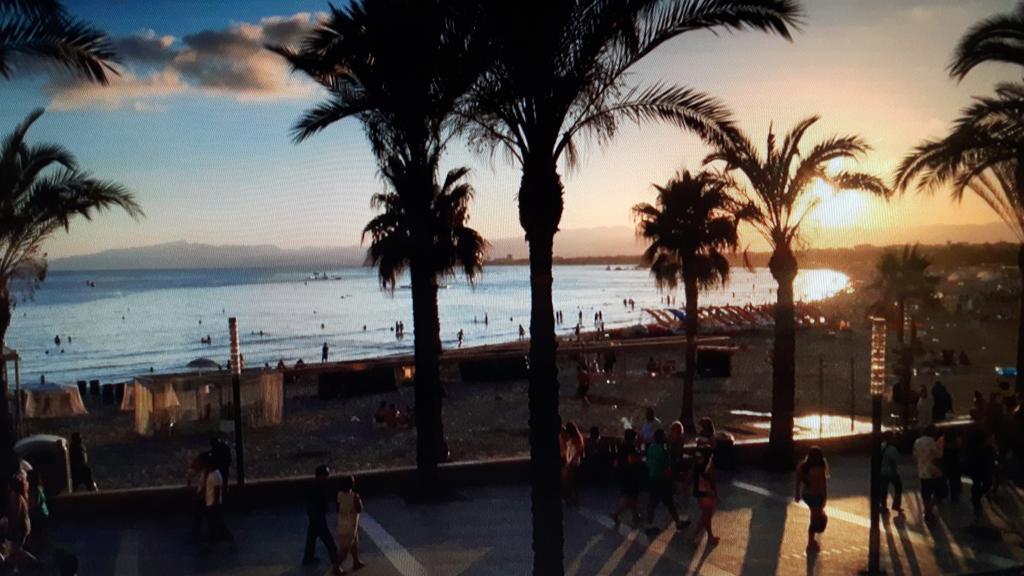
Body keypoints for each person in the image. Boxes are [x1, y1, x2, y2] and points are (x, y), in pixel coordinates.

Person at [646, 429, 686, 530]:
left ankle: (649, 525)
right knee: (670, 503)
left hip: (652, 478)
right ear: (662, 438)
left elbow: (648, 463)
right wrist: (672, 482)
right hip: (662, 480)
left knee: (652, 503)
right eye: (665, 436)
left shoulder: (650, 448)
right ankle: (678, 522)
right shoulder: (664, 452)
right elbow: (667, 470)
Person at [795, 446, 829, 552]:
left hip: (807, 495)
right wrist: (824, 498)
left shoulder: (803, 466)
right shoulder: (821, 467)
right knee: (814, 519)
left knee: (814, 516)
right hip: (817, 496)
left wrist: (797, 494)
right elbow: (823, 485)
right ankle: (810, 542)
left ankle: (812, 541)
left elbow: (798, 481)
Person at [303, 465, 338, 566]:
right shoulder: (319, 487)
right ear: (321, 476)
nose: (328, 476)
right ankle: (335, 563)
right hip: (318, 517)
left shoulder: (313, 486)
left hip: (314, 516)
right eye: (326, 474)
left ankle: (308, 558)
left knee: (311, 538)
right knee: (329, 542)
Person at [610, 429, 644, 526]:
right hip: (630, 475)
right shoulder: (630, 448)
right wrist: (639, 449)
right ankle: (616, 514)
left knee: (633, 496)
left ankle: (635, 516)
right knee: (630, 497)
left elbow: (616, 462)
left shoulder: (621, 446)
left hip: (622, 474)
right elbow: (632, 460)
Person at [4, 476, 39, 569]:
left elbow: (16, 514)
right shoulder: (19, 496)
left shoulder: (15, 497)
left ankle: (35, 562)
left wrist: (10, 528)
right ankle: (16, 567)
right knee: (15, 550)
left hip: (20, 528)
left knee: (16, 550)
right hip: (23, 527)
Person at [966, 428, 998, 524]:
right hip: (983, 470)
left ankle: (976, 498)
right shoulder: (986, 448)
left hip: (978, 470)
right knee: (985, 483)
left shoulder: (977, 448)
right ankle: (976, 499)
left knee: (982, 484)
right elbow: (993, 458)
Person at [913, 425, 944, 522]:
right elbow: (938, 455)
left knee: (926, 493)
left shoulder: (917, 441)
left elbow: (915, 454)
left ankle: (927, 511)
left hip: (922, 471)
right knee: (939, 492)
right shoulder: (932, 441)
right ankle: (929, 510)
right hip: (933, 471)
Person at [335, 475, 365, 574]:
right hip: (350, 526)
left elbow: (338, 508)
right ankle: (336, 566)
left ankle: (356, 561)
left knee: (354, 544)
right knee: (345, 549)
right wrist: (359, 500)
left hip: (343, 524)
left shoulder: (339, 494)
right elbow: (359, 509)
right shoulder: (354, 496)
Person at [201, 453, 233, 546]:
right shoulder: (213, 474)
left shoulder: (214, 475)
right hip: (210, 502)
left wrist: (215, 502)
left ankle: (215, 540)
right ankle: (220, 538)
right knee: (217, 522)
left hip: (212, 503)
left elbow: (217, 490)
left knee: (214, 522)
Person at [692, 450, 719, 546]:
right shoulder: (709, 468)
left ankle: (710, 536)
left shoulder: (696, 465)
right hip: (707, 493)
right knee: (705, 516)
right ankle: (694, 535)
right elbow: (713, 482)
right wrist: (716, 494)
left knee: (706, 515)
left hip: (699, 493)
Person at [559, 422, 585, 506]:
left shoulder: (575, 440)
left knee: (569, 482)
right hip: (573, 462)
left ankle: (570, 499)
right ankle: (573, 499)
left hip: (573, 463)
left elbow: (575, 453)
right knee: (571, 482)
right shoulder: (576, 438)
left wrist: (569, 463)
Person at [879, 431, 903, 514]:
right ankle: (896, 505)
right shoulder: (892, 448)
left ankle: (883, 506)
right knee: (898, 488)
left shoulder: (881, 446)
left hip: (881, 471)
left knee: (883, 490)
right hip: (891, 472)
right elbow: (893, 461)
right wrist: (895, 472)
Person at [26, 469, 48, 548]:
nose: (26, 479)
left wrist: (26, 510)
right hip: (42, 513)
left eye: (27, 477)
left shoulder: (36, 490)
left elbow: (35, 504)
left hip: (39, 514)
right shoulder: (39, 488)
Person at [942, 429, 964, 503]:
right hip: (955, 463)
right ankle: (954, 496)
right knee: (954, 480)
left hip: (946, 463)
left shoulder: (943, 443)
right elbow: (960, 452)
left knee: (945, 479)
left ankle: (942, 494)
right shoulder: (957, 442)